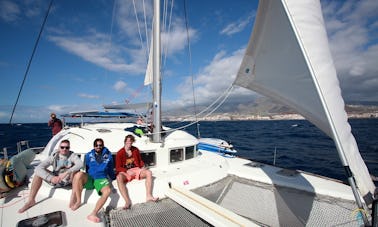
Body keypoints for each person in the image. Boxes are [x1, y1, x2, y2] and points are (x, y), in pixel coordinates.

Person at [18, 140, 83, 213]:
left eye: (67, 147)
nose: (64, 149)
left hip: (67, 180)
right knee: (38, 174)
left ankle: (73, 198)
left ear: (69, 148)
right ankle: (31, 200)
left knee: (76, 172)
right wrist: (51, 178)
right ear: (59, 148)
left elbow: (80, 164)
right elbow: (39, 168)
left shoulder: (72, 155)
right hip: (55, 178)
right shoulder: (54, 155)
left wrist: (66, 173)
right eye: (62, 147)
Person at [70, 138, 115, 223]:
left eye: (100, 145)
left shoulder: (108, 156)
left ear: (103, 146)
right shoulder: (88, 155)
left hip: (101, 178)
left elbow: (110, 169)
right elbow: (87, 168)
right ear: (94, 146)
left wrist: (113, 178)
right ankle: (78, 201)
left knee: (107, 191)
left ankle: (93, 213)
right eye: (97, 145)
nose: (98, 147)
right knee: (79, 174)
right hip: (90, 177)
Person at [115, 135, 158, 209]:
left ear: (132, 142)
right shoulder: (120, 153)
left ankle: (149, 196)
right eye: (128, 141)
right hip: (126, 172)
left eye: (131, 141)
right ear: (125, 141)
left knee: (149, 173)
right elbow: (118, 167)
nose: (129, 142)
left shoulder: (135, 150)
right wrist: (127, 170)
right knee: (119, 177)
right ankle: (127, 201)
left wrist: (143, 166)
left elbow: (140, 161)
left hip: (136, 170)